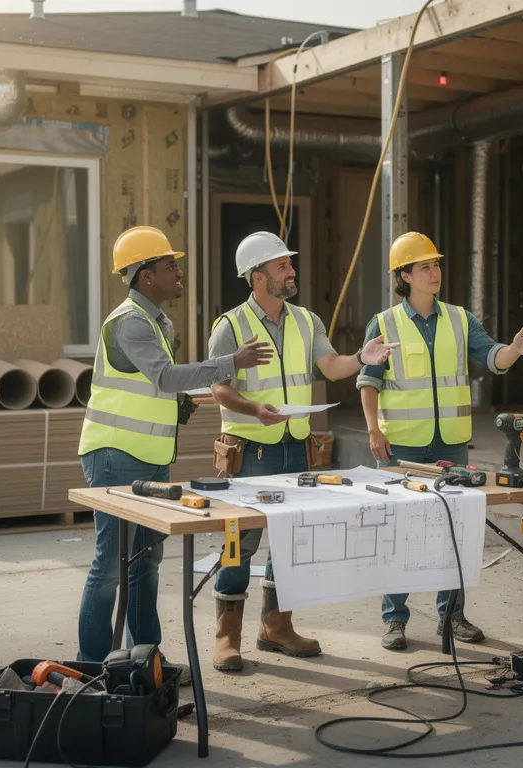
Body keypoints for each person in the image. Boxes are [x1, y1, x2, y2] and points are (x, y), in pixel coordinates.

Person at [75, 225, 274, 663]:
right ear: (146, 275)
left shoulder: (155, 321)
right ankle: (92, 666)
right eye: (170, 266)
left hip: (149, 457)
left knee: (145, 564)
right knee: (110, 566)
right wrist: (230, 362)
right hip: (115, 456)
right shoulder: (130, 322)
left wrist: (178, 403)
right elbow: (164, 376)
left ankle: (146, 662)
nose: (178, 272)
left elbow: (155, 386)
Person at [207, 231, 399, 673]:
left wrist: (362, 358)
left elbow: (330, 366)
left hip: (296, 449)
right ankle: (226, 637)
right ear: (258, 277)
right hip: (249, 452)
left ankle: (276, 626)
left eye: (289, 264)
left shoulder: (306, 321)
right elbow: (218, 387)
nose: (292, 271)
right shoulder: (230, 326)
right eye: (282, 266)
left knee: (292, 543)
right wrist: (254, 409)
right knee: (239, 543)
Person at [358, 231, 523, 651]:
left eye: (436, 264)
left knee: (455, 530)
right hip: (401, 446)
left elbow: (492, 356)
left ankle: (452, 615)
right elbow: (368, 380)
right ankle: (394, 618)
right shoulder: (384, 323)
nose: (434, 272)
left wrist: (513, 349)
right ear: (404, 275)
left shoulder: (459, 319)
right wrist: (372, 429)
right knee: (399, 532)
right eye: (424, 267)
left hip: (450, 445)